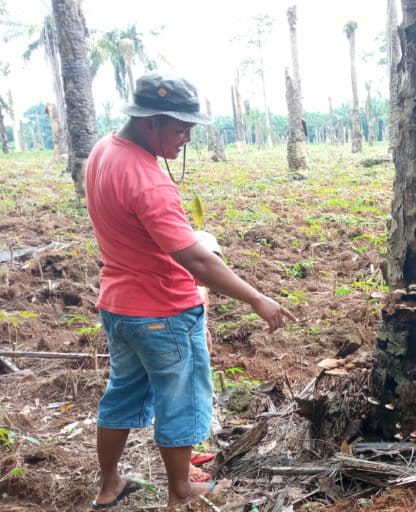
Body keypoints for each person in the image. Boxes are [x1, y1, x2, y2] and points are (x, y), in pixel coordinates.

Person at [86, 71, 297, 510]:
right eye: (181, 127)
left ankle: (109, 484)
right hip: (162, 311)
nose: (186, 138)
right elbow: (196, 261)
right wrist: (257, 298)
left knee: (122, 393)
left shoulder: (104, 151)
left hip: (119, 307)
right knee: (180, 400)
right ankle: (182, 491)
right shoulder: (148, 181)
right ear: (151, 122)